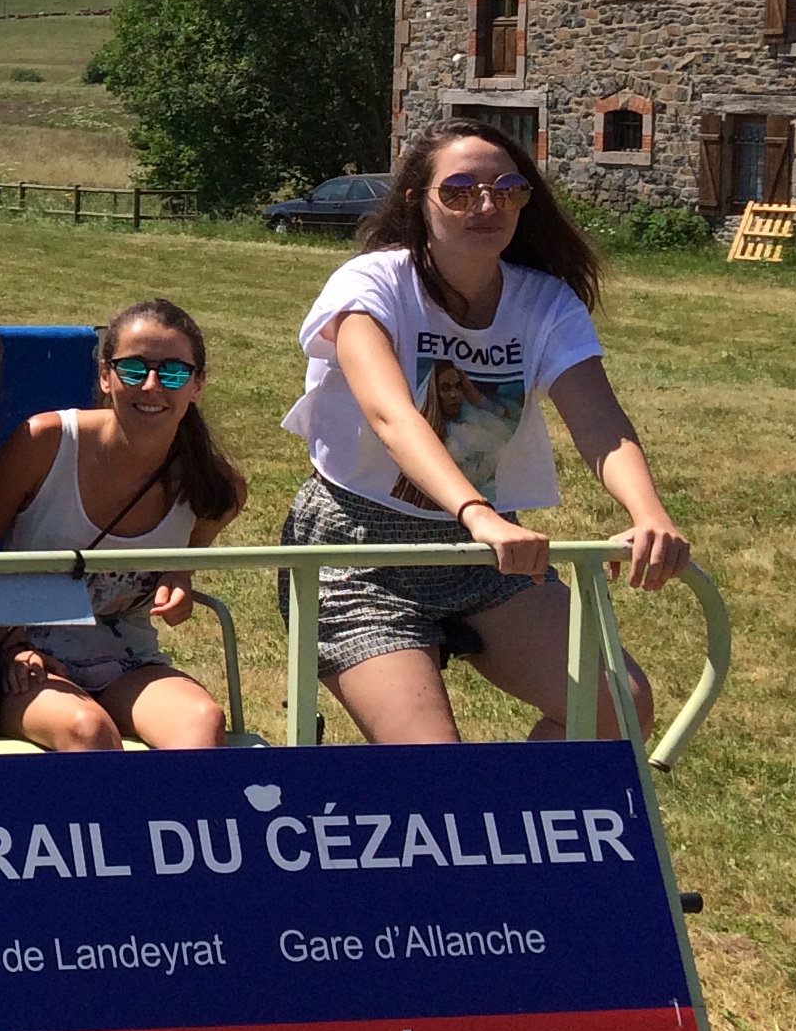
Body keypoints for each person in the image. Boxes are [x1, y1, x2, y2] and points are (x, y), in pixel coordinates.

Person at [279, 116, 688, 744]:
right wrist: (478, 511)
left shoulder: (545, 302)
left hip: (486, 552)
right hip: (359, 547)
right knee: (436, 766)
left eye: (507, 189)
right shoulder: (370, 284)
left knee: (617, 711)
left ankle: (519, 831)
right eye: (461, 190)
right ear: (419, 202)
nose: (486, 205)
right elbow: (392, 415)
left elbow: (599, 419)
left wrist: (647, 510)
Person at [0, 298, 243, 749]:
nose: (152, 385)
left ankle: (167, 821)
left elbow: (191, 550)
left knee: (202, 721)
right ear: (105, 375)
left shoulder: (214, 485)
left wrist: (180, 575)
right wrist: (14, 643)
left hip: (128, 659)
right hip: (18, 653)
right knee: (87, 729)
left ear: (197, 386)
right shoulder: (45, 443)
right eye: (134, 369)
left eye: (173, 372)